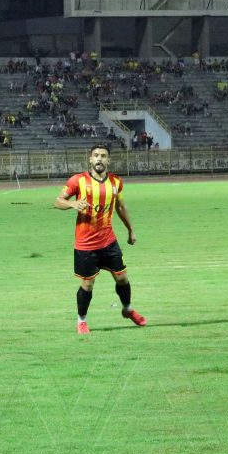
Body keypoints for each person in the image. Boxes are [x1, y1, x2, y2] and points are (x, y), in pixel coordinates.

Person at [54, 143, 147, 334]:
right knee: (88, 284)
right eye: (96, 155)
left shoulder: (116, 182)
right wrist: (72, 205)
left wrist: (131, 230)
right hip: (85, 244)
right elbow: (58, 201)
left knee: (122, 278)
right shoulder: (78, 180)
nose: (99, 158)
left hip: (108, 241)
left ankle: (128, 309)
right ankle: (81, 321)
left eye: (103, 156)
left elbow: (120, 207)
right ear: (90, 159)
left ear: (108, 160)